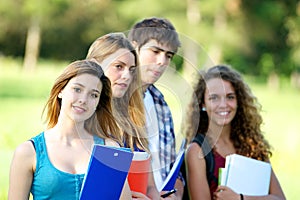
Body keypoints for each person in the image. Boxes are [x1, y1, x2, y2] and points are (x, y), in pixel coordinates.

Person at [8, 60, 132, 199]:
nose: (83, 100)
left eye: (94, 95)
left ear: (98, 103)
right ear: (61, 91)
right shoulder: (28, 152)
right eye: (77, 89)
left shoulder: (110, 149)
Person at [184, 64, 286, 200]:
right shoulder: (197, 151)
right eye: (214, 98)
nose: (223, 104)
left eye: (230, 97)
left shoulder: (251, 144)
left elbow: (279, 198)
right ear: (202, 104)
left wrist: (240, 198)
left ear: (239, 101)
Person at [86, 32, 159, 199]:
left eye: (131, 70)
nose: (127, 76)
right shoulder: (81, 120)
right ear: (94, 65)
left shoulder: (134, 120)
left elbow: (150, 186)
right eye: (119, 66)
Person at [128, 17, 184, 199]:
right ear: (133, 47)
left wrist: (175, 194)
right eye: (155, 51)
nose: (162, 61)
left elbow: (170, 166)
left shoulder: (161, 103)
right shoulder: (114, 101)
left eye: (169, 55)